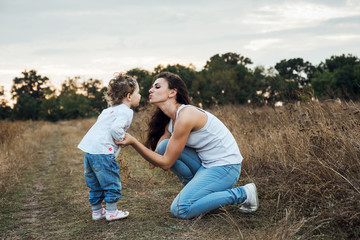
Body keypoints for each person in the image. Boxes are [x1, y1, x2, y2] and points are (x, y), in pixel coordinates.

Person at [116, 72, 258, 219]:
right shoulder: (170, 121)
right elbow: (160, 153)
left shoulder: (186, 115)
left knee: (180, 209)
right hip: (206, 165)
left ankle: (244, 193)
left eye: (157, 87)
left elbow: (166, 163)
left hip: (226, 167)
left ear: (173, 92)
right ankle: (198, 197)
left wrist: (134, 142)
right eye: (152, 87)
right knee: (165, 146)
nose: (150, 90)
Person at [78, 73, 141, 221]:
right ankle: (112, 212)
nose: (140, 96)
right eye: (138, 93)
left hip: (90, 153)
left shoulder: (108, 111)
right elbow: (115, 129)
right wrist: (121, 140)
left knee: (95, 183)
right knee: (111, 180)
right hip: (103, 152)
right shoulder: (126, 111)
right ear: (129, 96)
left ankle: (97, 211)